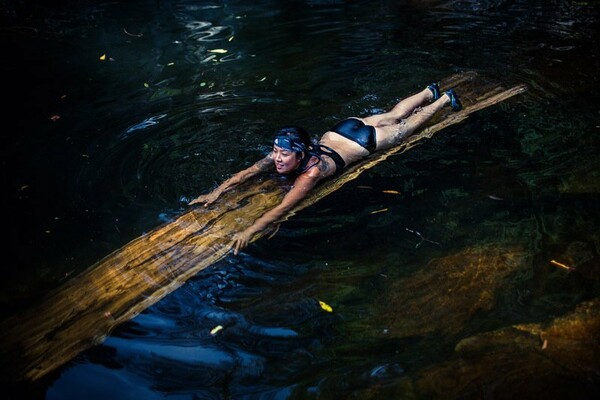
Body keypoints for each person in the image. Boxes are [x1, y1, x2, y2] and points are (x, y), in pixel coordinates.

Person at [189, 82, 462, 254]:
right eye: (275, 152)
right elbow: (245, 173)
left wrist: (251, 230)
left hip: (363, 141)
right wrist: (217, 193)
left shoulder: (312, 173)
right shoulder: (288, 155)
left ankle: (442, 100)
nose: (277, 158)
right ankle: (428, 90)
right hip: (343, 130)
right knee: (392, 115)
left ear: (299, 153)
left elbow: (284, 206)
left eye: (284, 154)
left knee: (405, 126)